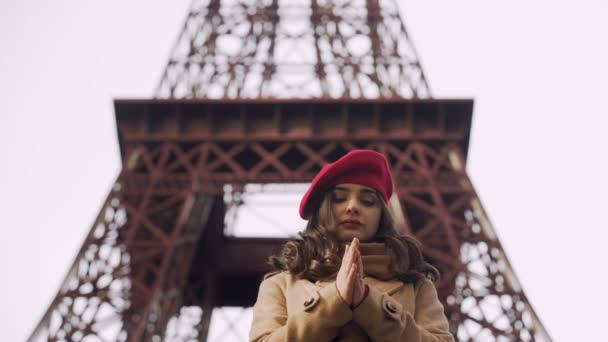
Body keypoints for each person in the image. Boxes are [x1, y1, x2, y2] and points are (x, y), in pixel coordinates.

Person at [249, 149, 454, 341]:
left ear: (381, 215)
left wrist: (369, 302)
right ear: (320, 211)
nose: (352, 207)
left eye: (367, 201)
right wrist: (334, 300)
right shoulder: (279, 284)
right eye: (339, 198)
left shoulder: (417, 286)